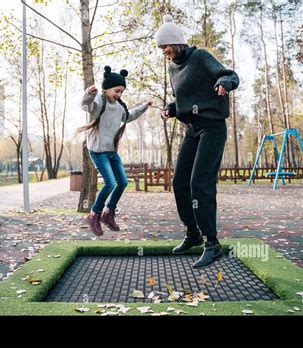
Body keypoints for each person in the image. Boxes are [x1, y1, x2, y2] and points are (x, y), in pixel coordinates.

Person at [155, 15, 240, 268]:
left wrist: (224, 83)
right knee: (179, 181)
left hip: (212, 127)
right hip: (192, 129)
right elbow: (182, 99)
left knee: (199, 182)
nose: (164, 51)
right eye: (161, 48)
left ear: (177, 42)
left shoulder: (200, 57)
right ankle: (192, 232)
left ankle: (212, 244)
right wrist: (171, 109)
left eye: (166, 46)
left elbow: (229, 75)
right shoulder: (172, 69)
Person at [78, 66, 153, 236]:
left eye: (121, 92)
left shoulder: (119, 107)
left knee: (123, 182)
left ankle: (108, 213)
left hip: (111, 150)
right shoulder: (99, 101)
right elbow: (85, 105)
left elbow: (129, 116)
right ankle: (94, 214)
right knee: (110, 183)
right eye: (116, 91)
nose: (119, 95)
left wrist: (144, 106)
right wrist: (89, 93)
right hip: (97, 150)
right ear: (106, 89)